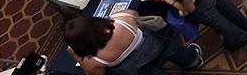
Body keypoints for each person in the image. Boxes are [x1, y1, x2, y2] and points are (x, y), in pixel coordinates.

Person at [63, 11, 202, 75]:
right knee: (171, 49)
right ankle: (192, 60)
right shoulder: (120, 18)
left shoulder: (92, 60)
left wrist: (76, 56)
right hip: (152, 45)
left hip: (133, 70)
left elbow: (95, 74)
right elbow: (134, 13)